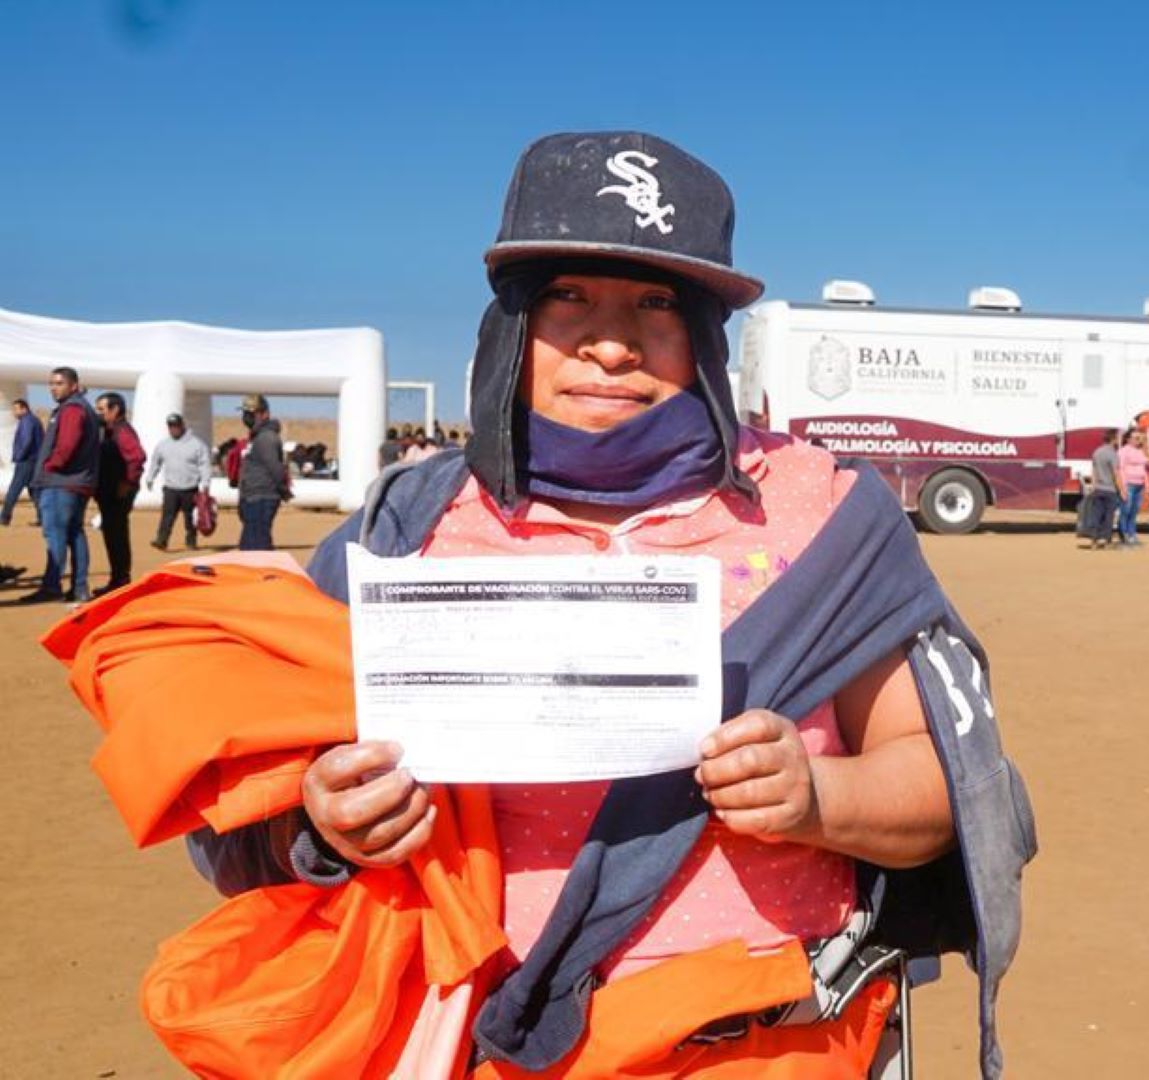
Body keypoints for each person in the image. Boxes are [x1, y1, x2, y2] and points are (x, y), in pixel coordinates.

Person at [166, 132, 1029, 1077]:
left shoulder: (827, 517)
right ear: (512, 320)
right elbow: (260, 800)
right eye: (569, 296)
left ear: (705, 332)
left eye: (657, 302)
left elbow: (942, 786)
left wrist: (819, 796)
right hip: (475, 1047)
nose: (611, 344)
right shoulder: (404, 526)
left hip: (777, 1048)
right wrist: (324, 821)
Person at [18, 366, 99, 604]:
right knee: (75, 534)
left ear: (73, 385)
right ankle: (79, 588)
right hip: (77, 483)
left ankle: (52, 586)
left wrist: (49, 467)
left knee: (55, 535)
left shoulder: (72, 409)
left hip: (61, 484)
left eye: (59, 383)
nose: (53, 387)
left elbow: (66, 446)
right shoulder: (81, 408)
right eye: (51, 383)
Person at [92, 392, 147, 592]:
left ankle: (120, 580)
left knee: (117, 536)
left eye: (101, 409)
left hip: (119, 492)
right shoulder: (109, 431)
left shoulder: (122, 431)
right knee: (114, 534)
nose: (98, 413)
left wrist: (127, 482)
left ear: (115, 410)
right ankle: (118, 579)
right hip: (110, 491)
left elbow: (137, 457)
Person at [145, 412, 213, 551]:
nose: (173, 429)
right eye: (170, 426)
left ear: (182, 425)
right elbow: (155, 462)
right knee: (167, 516)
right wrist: (150, 477)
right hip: (171, 488)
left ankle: (191, 541)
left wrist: (205, 483)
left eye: (176, 426)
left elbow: (204, 465)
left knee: (190, 518)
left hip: (190, 488)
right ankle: (161, 540)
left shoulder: (197, 445)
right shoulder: (163, 445)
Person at [236, 393, 290, 551]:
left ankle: (265, 573)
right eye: (245, 413)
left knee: (256, 546)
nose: (247, 417)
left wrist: (283, 490)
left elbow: (276, 468)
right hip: (252, 497)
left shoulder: (267, 438)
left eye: (251, 414)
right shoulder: (256, 437)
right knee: (251, 544)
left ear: (264, 414)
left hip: (262, 498)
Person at [2, 397, 43, 527]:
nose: (14, 412)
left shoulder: (27, 421)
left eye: (16, 409)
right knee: (35, 491)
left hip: (26, 461)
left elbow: (27, 440)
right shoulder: (33, 420)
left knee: (14, 490)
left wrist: (19, 456)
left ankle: (4, 517)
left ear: (24, 409)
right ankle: (42, 518)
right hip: (35, 461)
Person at [1084, 427, 1122, 549]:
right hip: (1110, 489)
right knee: (1108, 516)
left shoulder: (1097, 452)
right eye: (1117, 438)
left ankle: (1093, 540)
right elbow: (1116, 474)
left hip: (1098, 489)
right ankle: (1105, 540)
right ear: (1113, 439)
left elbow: (1094, 471)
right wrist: (1121, 490)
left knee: (1096, 514)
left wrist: (1094, 486)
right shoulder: (1112, 454)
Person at [1116, 427, 1148, 547]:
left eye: (1139, 438)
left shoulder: (1140, 451)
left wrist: (1147, 484)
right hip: (1128, 484)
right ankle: (1123, 534)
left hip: (1139, 485)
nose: (1138, 440)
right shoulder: (1123, 451)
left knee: (1134, 511)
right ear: (1128, 439)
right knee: (1126, 510)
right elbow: (1120, 470)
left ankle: (1132, 534)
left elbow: (1143, 468)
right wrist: (1123, 487)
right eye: (1136, 438)